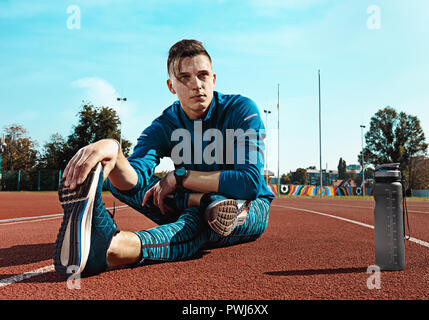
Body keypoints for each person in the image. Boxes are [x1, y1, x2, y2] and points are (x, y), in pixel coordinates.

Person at [54, 39, 274, 277]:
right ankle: (111, 243)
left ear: (214, 79)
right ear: (171, 86)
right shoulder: (164, 124)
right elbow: (137, 176)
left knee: (211, 215)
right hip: (190, 198)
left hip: (248, 207)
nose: (197, 85)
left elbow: (249, 183)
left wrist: (180, 176)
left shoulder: (241, 109)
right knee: (119, 183)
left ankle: (117, 247)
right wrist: (114, 151)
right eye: (185, 78)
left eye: (202, 75)